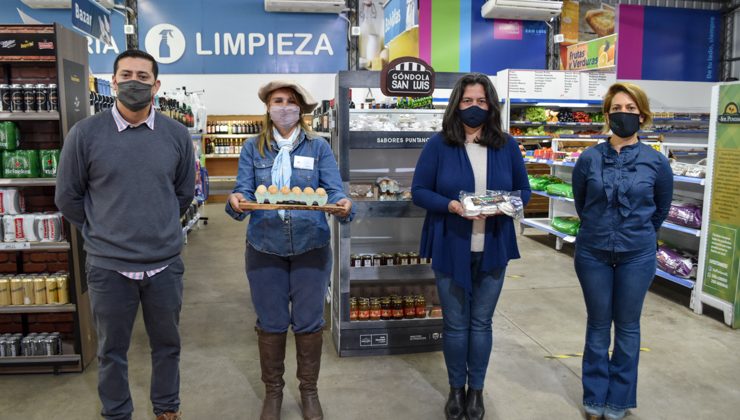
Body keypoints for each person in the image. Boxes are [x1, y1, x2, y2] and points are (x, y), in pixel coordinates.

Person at [55, 50, 194, 420]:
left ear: (156, 85)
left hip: (164, 264)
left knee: (167, 345)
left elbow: (183, 194)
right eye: (127, 75)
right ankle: (117, 412)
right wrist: (103, 230)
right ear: (113, 81)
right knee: (110, 350)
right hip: (108, 267)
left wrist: (156, 225)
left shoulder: (177, 136)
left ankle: (167, 407)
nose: (135, 82)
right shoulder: (85, 134)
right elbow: (67, 196)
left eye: (143, 77)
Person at [225, 80, 353, 420]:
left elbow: (334, 189)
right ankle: (273, 392)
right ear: (267, 107)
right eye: (278, 100)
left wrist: (342, 203)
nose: (284, 106)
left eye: (291, 101)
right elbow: (243, 191)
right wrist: (235, 201)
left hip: (311, 244)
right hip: (264, 245)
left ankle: (309, 391)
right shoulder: (253, 148)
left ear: (302, 109)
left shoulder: (319, 147)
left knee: (309, 322)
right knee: (271, 321)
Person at [411, 73, 531, 420]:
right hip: (451, 244)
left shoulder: (505, 145)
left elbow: (524, 191)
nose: (474, 107)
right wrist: (450, 205)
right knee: (454, 323)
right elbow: (420, 191)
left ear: (491, 105)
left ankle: (475, 391)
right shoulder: (439, 145)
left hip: (493, 246)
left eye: (481, 101)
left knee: (481, 323)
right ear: (456, 105)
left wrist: (507, 204)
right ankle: (455, 390)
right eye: (467, 101)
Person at [572, 82, 673, 420]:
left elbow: (660, 210)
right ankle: (595, 396)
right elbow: (582, 204)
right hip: (593, 252)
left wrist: (636, 233)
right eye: (617, 108)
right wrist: (602, 228)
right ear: (607, 114)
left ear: (642, 116)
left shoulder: (656, 162)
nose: (623, 114)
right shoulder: (588, 159)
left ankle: (618, 399)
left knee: (628, 328)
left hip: (637, 254)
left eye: (630, 109)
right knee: (598, 325)